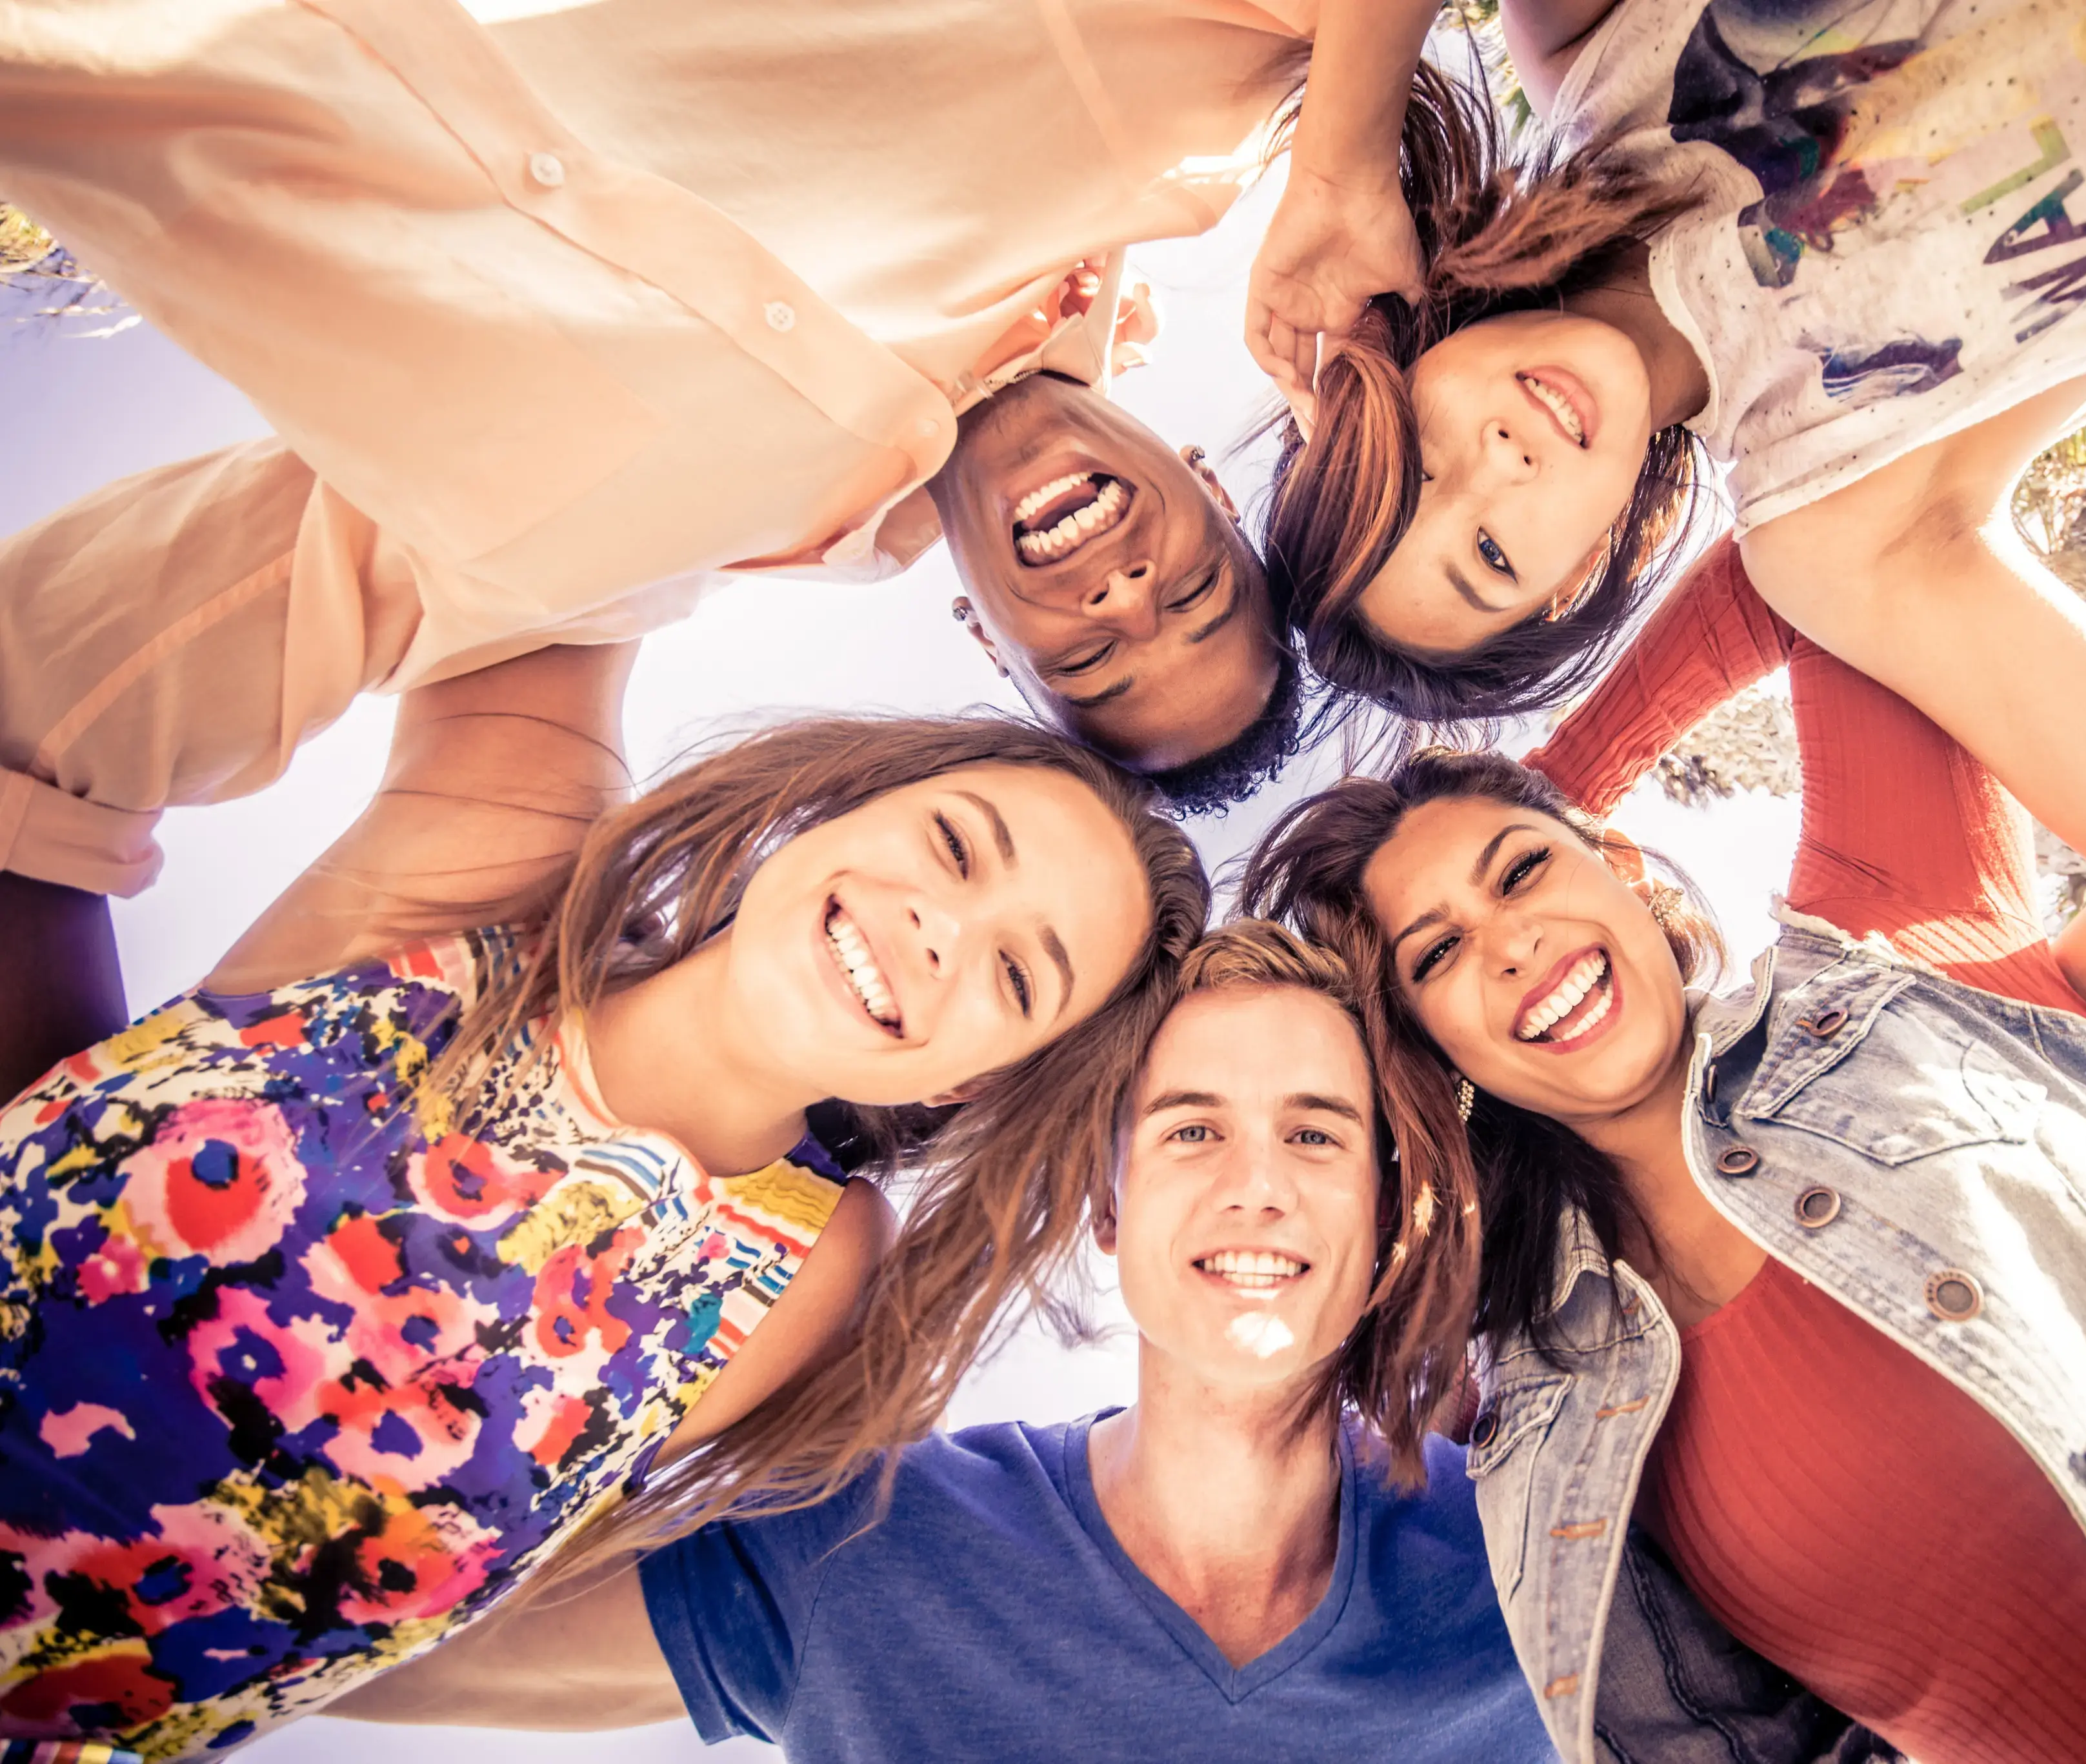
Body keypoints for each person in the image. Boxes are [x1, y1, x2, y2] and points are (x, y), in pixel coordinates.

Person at [1239, 531, 2086, 1762]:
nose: (1512, 941)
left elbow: (1802, 551)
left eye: (1524, 874)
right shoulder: (1526, 1408)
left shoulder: (1885, 941)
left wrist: (1535, 785)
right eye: (1438, 953)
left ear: (1630, 867)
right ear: (1432, 1054)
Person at [0, 0, 1456, 1088]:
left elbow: (54, 721)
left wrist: (61, 1183)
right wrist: (1340, 164)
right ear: (1203, 475)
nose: (1124, 591)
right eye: (1195, 590)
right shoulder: (1166, 113)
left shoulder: (599, 574)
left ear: (994, 649)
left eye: (1093, 657)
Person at [0, 639, 1210, 1759]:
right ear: (834, 803)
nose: (942, 929)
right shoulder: (509, 871)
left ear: (970, 1082)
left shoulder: (806, 1280)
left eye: (1015, 972)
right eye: (954, 845)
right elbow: (571, 500)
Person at [313, 923, 1759, 1760]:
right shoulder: (865, 1542)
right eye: (1191, 1127)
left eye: (1314, 1133)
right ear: (1107, 1206)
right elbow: (343, 1642)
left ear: (1389, 1224)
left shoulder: (1548, 1565)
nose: (1253, 1180)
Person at [1246, 0, 2086, 726]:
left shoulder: (1595, 61)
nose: (1499, 465)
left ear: (1398, 371)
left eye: (1422, 461)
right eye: (1489, 556)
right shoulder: (1827, 512)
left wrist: (1343, 163)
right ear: (1575, 578)